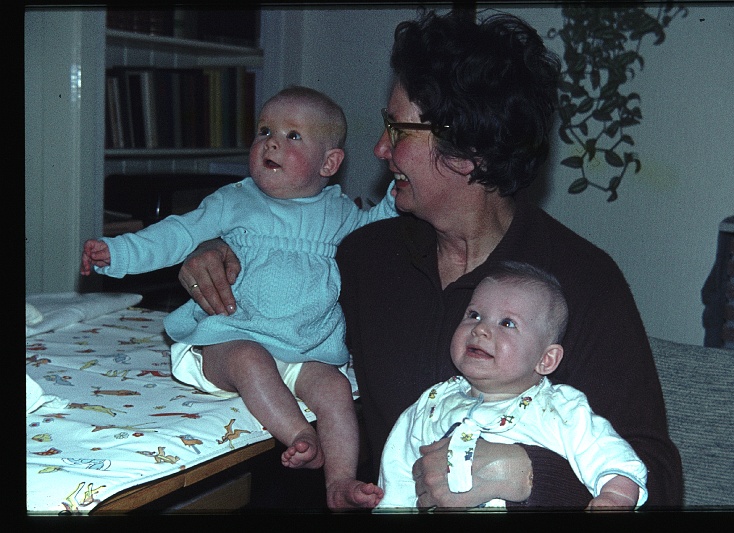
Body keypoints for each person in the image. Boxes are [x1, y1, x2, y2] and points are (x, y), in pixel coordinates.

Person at [178, 10, 683, 510]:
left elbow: (658, 479)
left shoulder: (581, 280)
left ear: (469, 151)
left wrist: (522, 474)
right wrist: (224, 253)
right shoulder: (366, 256)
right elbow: (280, 320)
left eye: (397, 131)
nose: (378, 149)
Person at [80, 85, 392, 509]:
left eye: (293, 136)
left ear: (329, 163)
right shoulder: (235, 200)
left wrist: (395, 196)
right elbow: (177, 233)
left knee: (336, 387)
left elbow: (376, 234)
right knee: (250, 359)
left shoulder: (340, 215)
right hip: (229, 340)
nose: (272, 142)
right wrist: (117, 252)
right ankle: (300, 434)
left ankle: (339, 483)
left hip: (304, 349)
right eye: (265, 130)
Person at [376, 261, 647, 511]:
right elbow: (399, 472)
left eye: (507, 323)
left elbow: (611, 457)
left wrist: (616, 497)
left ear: (546, 359)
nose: (480, 329)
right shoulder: (433, 402)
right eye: (474, 314)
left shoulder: (562, 410)